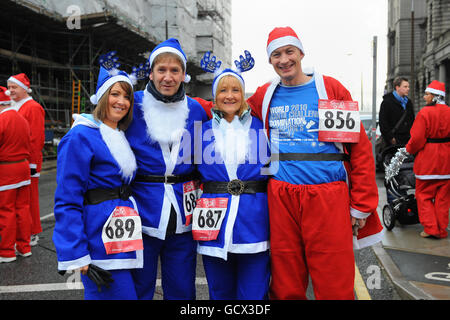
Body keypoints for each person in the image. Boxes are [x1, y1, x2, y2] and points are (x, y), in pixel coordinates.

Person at [246, 26, 383, 300]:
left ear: (301, 53)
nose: (283, 60)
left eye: (289, 52)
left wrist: (361, 205)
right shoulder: (265, 94)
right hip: (281, 195)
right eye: (276, 55)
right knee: (285, 279)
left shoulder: (329, 88)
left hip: (328, 196)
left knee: (333, 278)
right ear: (270, 60)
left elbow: (359, 149)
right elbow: (230, 106)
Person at [126, 38, 208, 300]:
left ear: (184, 75)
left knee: (183, 290)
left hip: (184, 213)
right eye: (161, 70)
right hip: (141, 210)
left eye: (175, 70)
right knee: (140, 287)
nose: (168, 77)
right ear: (151, 72)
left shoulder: (196, 109)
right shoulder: (132, 104)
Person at [53, 60, 143, 300]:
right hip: (98, 240)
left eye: (127, 97)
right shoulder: (80, 136)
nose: (121, 102)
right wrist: (76, 253)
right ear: (102, 97)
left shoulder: (119, 134)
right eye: (115, 94)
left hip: (124, 239)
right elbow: (67, 198)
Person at [193, 53, 270, 300]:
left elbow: (276, 172)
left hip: (254, 223)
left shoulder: (263, 128)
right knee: (220, 293)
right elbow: (187, 175)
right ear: (215, 96)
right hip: (213, 223)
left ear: (243, 94)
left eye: (235, 90)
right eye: (223, 90)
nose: (229, 95)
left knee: (254, 294)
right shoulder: (199, 131)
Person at [405, 80, 450, 239]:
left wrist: (409, 150)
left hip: (428, 162)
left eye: (427, 94)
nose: (424, 97)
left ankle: (431, 229)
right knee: (443, 199)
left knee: (423, 196)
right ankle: (441, 229)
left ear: (435, 96)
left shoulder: (425, 113)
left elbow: (417, 139)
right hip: (446, 163)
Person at [7, 73, 45, 246]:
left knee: (29, 200)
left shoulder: (33, 107)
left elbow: (36, 139)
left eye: (14, 87)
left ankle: (32, 232)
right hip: (17, 162)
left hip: (27, 162)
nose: (10, 90)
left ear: (24, 88)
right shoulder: (15, 106)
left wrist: (32, 164)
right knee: (17, 201)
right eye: (9, 87)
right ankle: (20, 233)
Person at [0, 86, 32, 263]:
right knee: (22, 209)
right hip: (23, 168)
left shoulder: (2, 120)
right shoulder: (21, 118)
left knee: (6, 211)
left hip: (6, 170)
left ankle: (6, 251)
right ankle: (24, 247)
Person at [379, 76, 415, 146]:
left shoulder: (408, 102)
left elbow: (412, 121)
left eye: (408, 87)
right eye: (405, 87)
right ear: (397, 87)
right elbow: (383, 123)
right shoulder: (387, 102)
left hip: (407, 141)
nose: (408, 89)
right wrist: (390, 138)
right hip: (392, 142)